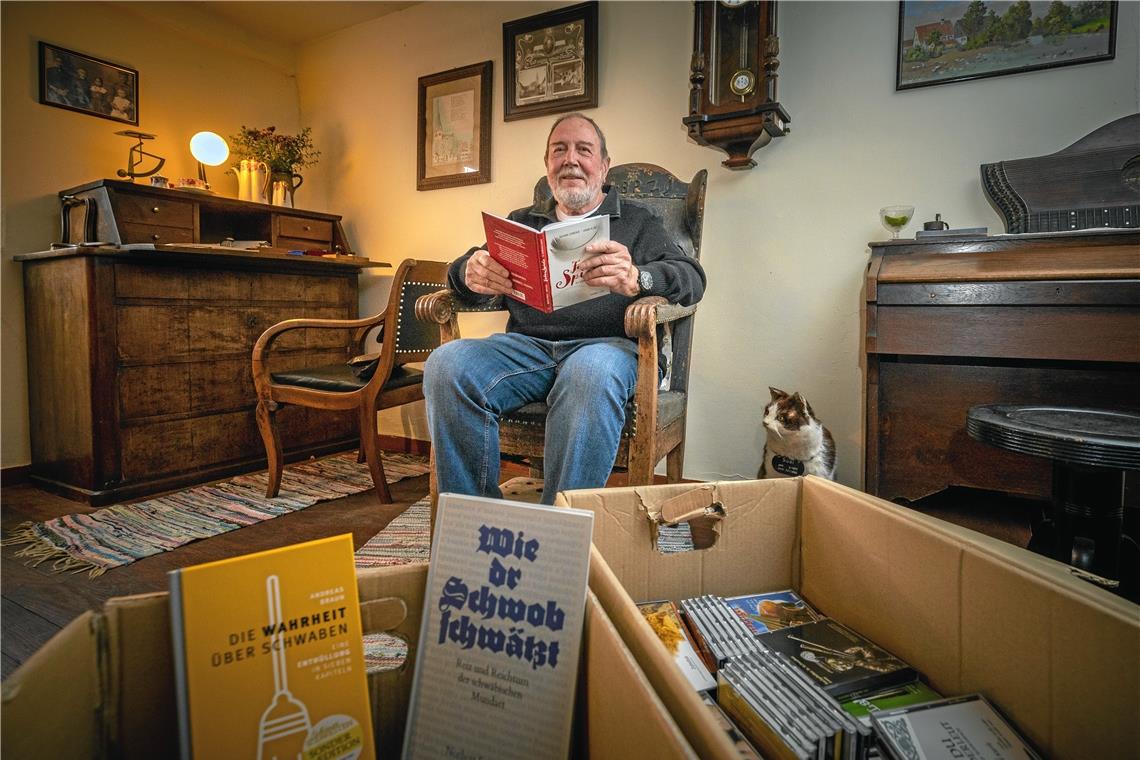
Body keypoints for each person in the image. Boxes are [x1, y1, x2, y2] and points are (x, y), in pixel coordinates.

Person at [423, 113, 706, 505]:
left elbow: (693, 279)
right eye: (560, 150)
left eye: (583, 150)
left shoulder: (638, 221)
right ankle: (472, 522)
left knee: (589, 373)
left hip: (611, 348)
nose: (570, 159)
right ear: (547, 164)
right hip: (528, 351)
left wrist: (638, 278)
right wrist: (466, 271)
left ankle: (557, 528)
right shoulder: (523, 223)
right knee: (446, 365)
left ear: (603, 167)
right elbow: (469, 277)